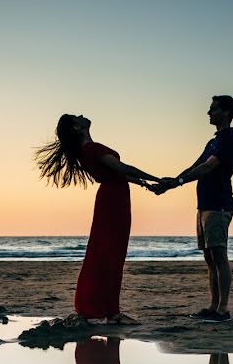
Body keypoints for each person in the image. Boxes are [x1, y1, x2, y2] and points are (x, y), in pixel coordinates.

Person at [35, 114, 159, 324]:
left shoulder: (86, 151)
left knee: (106, 253)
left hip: (111, 196)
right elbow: (122, 168)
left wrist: (145, 184)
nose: (83, 116)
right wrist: (155, 178)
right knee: (111, 254)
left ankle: (108, 309)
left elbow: (117, 173)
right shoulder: (91, 149)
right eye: (78, 117)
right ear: (77, 127)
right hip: (114, 200)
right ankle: (112, 312)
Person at [153, 96, 233, 323]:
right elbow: (196, 166)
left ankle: (223, 310)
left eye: (213, 109)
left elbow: (209, 166)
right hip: (204, 206)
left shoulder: (230, 140)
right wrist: (173, 182)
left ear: (227, 112)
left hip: (218, 205)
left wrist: (179, 181)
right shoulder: (213, 141)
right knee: (209, 258)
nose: (208, 113)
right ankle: (213, 306)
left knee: (220, 256)